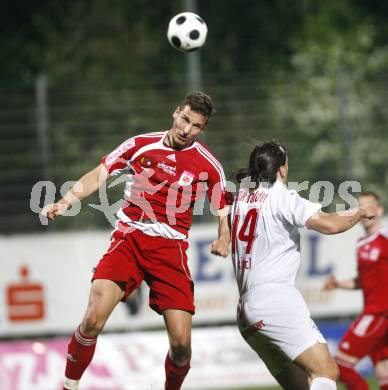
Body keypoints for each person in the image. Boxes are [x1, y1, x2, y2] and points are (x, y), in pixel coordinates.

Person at [43, 91, 231, 390]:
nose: (186, 130)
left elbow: (224, 209)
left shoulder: (207, 164)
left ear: (202, 129)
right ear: (175, 112)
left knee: (182, 346)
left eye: (195, 126)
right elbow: (99, 174)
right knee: (92, 320)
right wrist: (65, 201)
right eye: (184, 120)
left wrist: (225, 236)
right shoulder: (141, 144)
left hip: (170, 250)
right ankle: (68, 385)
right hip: (129, 240)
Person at [230, 141, 377, 390]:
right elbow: (330, 224)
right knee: (326, 370)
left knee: (302, 386)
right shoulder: (282, 196)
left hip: (246, 310)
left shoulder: (240, 199)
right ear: (282, 169)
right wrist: (360, 212)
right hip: (275, 299)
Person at [323, 191, 388, 390]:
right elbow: (362, 282)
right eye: (360, 207)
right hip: (373, 312)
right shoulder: (361, 244)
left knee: (340, 365)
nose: (365, 211)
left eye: (369, 206)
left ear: (379, 210)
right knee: (383, 370)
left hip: (378, 313)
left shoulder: (385, 236)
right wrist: (338, 284)